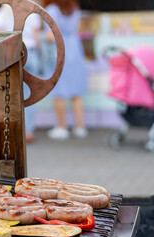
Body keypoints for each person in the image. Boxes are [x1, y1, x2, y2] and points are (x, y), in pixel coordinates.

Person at [0, 4, 42, 143]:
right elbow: (37, 37)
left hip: (9, 54)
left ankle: (7, 134)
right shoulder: (32, 8)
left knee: (6, 94)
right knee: (29, 95)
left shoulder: (3, 11)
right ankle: (28, 132)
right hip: (30, 52)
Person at [42, 0, 88, 140]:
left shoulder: (52, 9)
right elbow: (78, 28)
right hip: (75, 50)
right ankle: (80, 127)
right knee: (76, 92)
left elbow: (50, 36)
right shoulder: (75, 7)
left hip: (59, 51)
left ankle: (62, 127)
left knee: (59, 92)